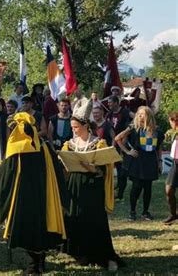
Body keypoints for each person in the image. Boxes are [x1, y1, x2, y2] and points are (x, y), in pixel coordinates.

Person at [0, 112, 66, 274]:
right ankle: (40, 263)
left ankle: (33, 265)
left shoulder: (17, 149)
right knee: (42, 227)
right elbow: (57, 171)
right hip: (45, 197)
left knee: (26, 230)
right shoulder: (44, 146)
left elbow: (7, 173)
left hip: (22, 199)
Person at [62, 101, 123, 271]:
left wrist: (93, 168)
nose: (73, 129)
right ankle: (82, 254)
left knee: (95, 220)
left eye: (76, 127)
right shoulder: (69, 144)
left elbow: (104, 171)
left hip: (93, 187)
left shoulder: (99, 143)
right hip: (75, 185)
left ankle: (104, 256)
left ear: (85, 125)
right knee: (76, 218)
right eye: (72, 127)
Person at [115, 106, 164, 221]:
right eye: (139, 114)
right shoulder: (133, 128)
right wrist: (127, 151)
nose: (140, 116)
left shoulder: (157, 130)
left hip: (150, 162)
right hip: (137, 162)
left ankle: (145, 212)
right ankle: (132, 211)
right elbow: (118, 138)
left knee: (148, 188)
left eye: (143, 114)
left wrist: (160, 161)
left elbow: (159, 147)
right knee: (136, 187)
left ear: (149, 115)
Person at [106, 95, 134, 200]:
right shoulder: (109, 114)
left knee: (122, 170)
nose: (108, 104)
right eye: (108, 103)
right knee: (116, 168)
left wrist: (129, 129)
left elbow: (136, 117)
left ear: (116, 103)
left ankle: (120, 193)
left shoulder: (125, 111)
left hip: (123, 143)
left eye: (110, 102)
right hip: (113, 144)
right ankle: (118, 189)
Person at [164, 111, 178, 224]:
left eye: (170, 121)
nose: (170, 123)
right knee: (169, 190)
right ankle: (173, 214)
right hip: (175, 162)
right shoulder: (173, 132)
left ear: (174, 121)